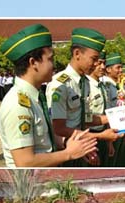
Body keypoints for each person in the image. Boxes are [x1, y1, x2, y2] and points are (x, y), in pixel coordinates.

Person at [0, 24, 97, 167]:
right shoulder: (18, 104)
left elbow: (46, 139)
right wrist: (69, 153)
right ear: (34, 63)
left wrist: (74, 145)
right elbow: (24, 162)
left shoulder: (35, 98)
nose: (54, 65)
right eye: (50, 59)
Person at [46, 28, 119, 167]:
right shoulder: (60, 84)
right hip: (66, 149)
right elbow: (58, 128)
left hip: (81, 146)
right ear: (77, 54)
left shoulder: (84, 82)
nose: (97, 63)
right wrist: (100, 136)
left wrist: (115, 117)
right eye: (94, 59)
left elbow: (84, 118)